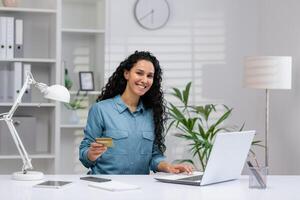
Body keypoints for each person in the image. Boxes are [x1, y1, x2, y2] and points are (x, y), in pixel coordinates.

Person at [79, 51, 193, 174]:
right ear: (127, 74)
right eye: (139, 73)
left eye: (150, 76)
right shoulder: (100, 110)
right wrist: (91, 154)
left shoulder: (151, 113)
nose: (144, 80)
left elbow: (154, 156)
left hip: (140, 188)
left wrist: (168, 167)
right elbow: (84, 155)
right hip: (106, 187)